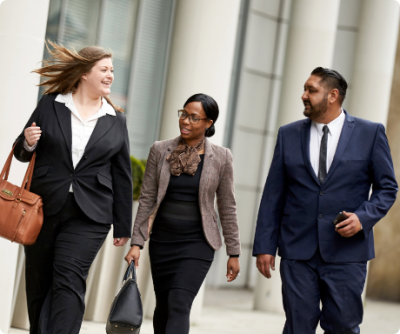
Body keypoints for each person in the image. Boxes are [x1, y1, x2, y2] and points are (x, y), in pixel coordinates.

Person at [253, 67, 398, 334]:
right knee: (298, 327)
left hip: (347, 252)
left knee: (343, 327)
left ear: (332, 95)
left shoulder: (370, 133)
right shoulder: (288, 134)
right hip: (298, 251)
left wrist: (363, 218)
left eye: (311, 90)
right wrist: (264, 245)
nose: (303, 95)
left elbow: (387, 188)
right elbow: (274, 193)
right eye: (305, 89)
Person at [13, 42, 133, 334]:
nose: (110, 76)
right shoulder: (51, 104)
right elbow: (20, 152)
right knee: (39, 282)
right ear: (84, 74)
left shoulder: (116, 120)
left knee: (69, 279)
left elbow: (122, 175)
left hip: (90, 215)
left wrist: (123, 226)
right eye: (103, 69)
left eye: (112, 70)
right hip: (43, 208)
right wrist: (28, 141)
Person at [125, 93, 241, 334]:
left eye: (194, 117)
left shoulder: (221, 157)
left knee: (179, 303)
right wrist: (137, 242)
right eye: (183, 115)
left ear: (209, 123)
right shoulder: (160, 150)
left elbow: (227, 206)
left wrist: (234, 252)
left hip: (198, 243)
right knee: (164, 307)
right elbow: (147, 197)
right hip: (163, 241)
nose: (186, 121)